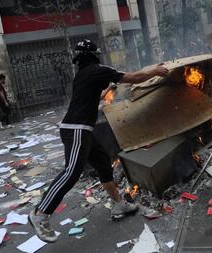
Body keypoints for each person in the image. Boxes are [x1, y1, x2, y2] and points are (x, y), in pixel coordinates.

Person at [28, 39, 169, 243]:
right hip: (77, 129)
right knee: (71, 172)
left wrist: (108, 90)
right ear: (94, 55)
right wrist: (155, 71)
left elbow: (96, 95)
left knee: (103, 163)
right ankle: (40, 214)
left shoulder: (84, 74)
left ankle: (119, 203)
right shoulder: (97, 69)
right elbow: (132, 78)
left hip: (83, 130)